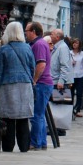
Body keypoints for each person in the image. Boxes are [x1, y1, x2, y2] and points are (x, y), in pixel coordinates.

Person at [0, 20, 35, 153]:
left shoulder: (4, 49)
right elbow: (32, 67)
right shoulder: (27, 48)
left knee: (8, 118)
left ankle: (8, 146)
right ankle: (24, 146)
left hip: (8, 85)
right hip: (25, 85)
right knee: (23, 118)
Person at [24, 22, 53, 151]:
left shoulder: (39, 44)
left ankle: (35, 142)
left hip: (41, 83)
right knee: (39, 115)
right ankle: (42, 142)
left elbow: (41, 65)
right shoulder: (39, 44)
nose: (25, 33)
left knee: (36, 115)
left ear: (33, 31)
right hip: (44, 83)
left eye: (27, 30)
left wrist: (34, 81)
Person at [49, 29, 73, 104]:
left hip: (59, 83)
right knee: (55, 106)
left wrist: (61, 81)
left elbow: (65, 66)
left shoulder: (62, 47)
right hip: (55, 81)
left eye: (52, 34)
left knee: (60, 107)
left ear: (57, 37)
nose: (50, 36)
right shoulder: (58, 47)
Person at [69, 38, 83, 118]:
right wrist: (71, 63)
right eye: (73, 43)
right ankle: (70, 110)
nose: (75, 44)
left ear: (79, 45)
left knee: (79, 93)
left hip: (80, 76)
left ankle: (77, 109)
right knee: (70, 94)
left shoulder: (82, 54)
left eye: (76, 43)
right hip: (71, 76)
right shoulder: (69, 53)